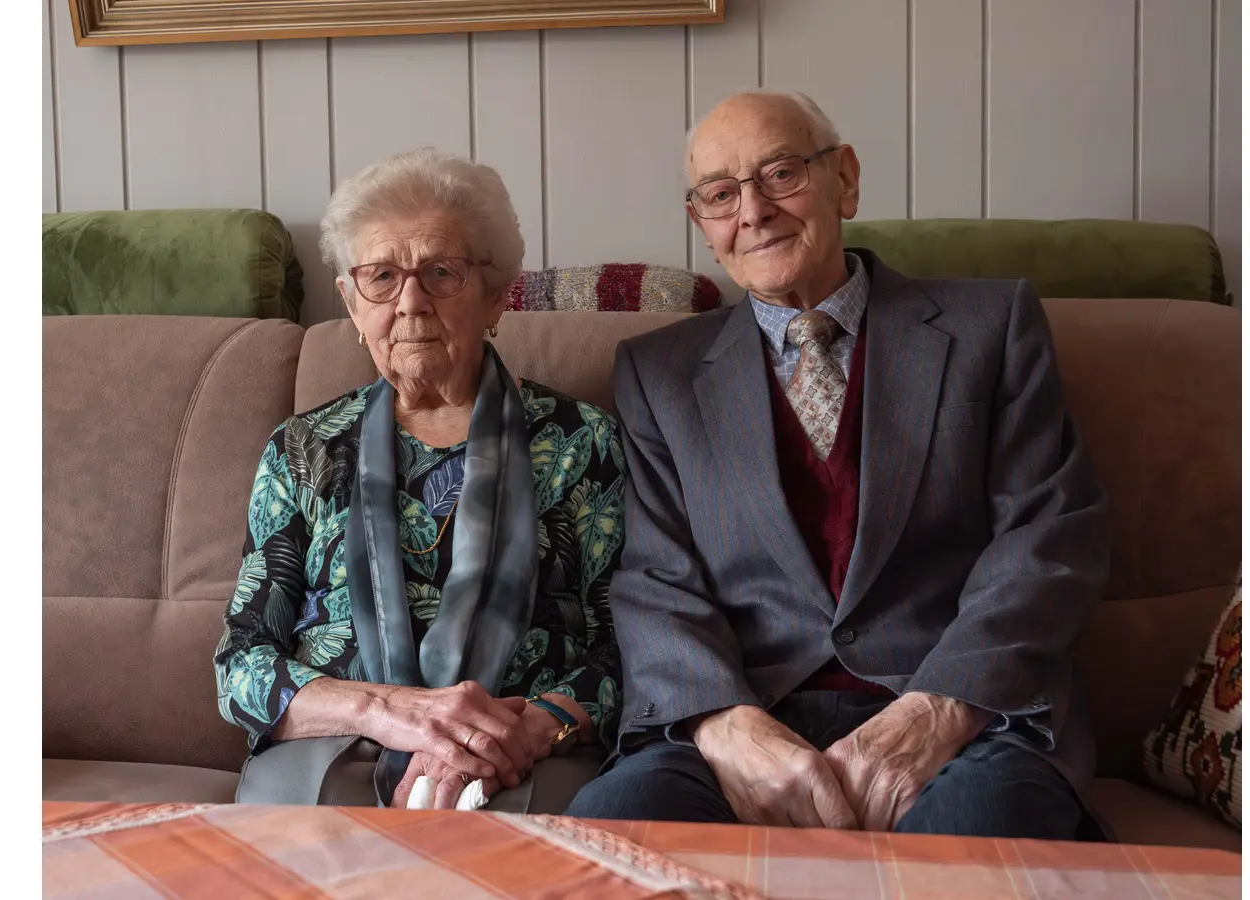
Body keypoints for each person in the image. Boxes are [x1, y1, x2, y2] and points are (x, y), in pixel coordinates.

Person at [564, 91, 1110, 839]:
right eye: (721, 194)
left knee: (978, 841)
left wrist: (937, 711)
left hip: (960, 716)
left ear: (846, 179)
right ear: (704, 225)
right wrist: (726, 727)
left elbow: (1047, 538)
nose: (752, 210)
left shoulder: (992, 326)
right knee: (612, 837)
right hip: (751, 719)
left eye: (780, 173)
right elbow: (656, 578)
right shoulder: (658, 373)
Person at [214, 149, 626, 812]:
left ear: (496, 293)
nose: (410, 303)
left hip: (521, 754)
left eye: (440, 272)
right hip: (336, 749)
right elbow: (241, 669)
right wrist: (389, 712)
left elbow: (629, 645)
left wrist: (536, 725)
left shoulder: (583, 443)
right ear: (351, 303)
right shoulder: (302, 449)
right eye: (381, 276)